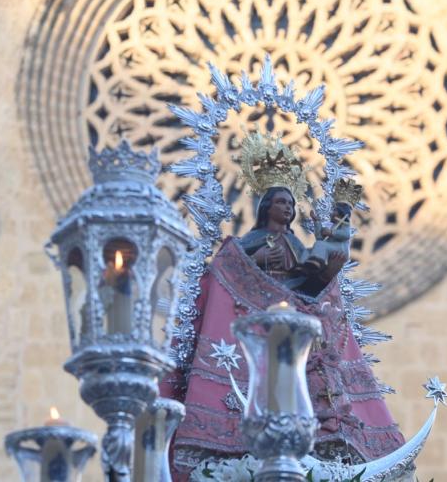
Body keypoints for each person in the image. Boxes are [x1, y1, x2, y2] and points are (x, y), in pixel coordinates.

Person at [161, 184, 406, 481]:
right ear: (266, 207)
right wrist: (261, 261)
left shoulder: (295, 244)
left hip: (294, 332)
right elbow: (229, 264)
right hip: (255, 327)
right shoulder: (251, 241)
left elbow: (310, 282)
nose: (288, 208)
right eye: (280, 202)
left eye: (291, 203)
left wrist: (330, 264)